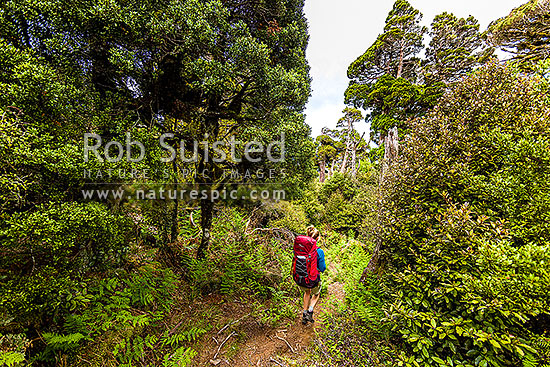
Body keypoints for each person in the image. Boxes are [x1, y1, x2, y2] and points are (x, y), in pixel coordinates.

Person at [300, 226, 326, 325]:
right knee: (316, 294)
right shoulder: (319, 251)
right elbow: (322, 268)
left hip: (302, 276)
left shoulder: (301, 249)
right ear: (318, 238)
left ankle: (304, 314)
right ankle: (310, 311)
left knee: (307, 293)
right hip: (314, 278)